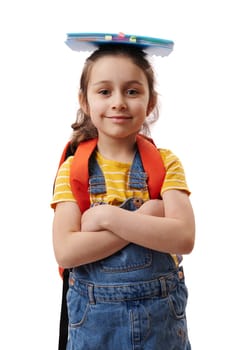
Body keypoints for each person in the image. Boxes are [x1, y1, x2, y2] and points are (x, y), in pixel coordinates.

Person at [51, 38, 195, 349]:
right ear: (85, 101)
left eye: (132, 91)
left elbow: (184, 237)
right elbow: (65, 251)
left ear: (150, 102)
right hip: (94, 326)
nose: (118, 101)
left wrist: (104, 218)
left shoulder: (166, 163)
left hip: (161, 323)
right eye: (105, 91)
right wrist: (146, 219)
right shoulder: (74, 169)